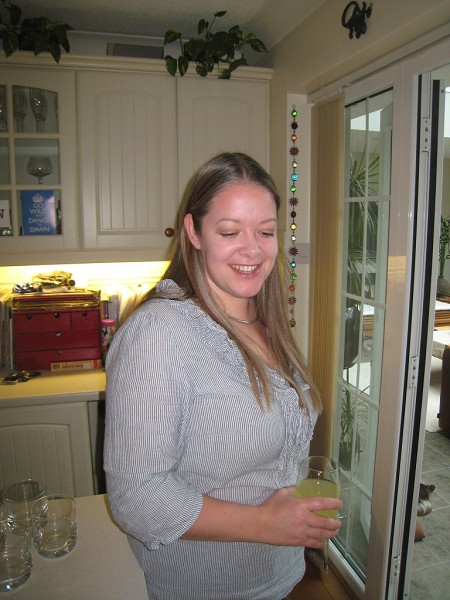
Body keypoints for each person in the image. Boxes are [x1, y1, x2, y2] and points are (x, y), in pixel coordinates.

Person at [104, 152, 342, 600]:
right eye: (230, 232)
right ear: (193, 232)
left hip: (278, 575)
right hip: (204, 586)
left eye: (266, 232)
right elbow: (137, 498)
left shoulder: (266, 320)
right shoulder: (158, 334)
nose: (252, 250)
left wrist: (292, 522)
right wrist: (265, 523)